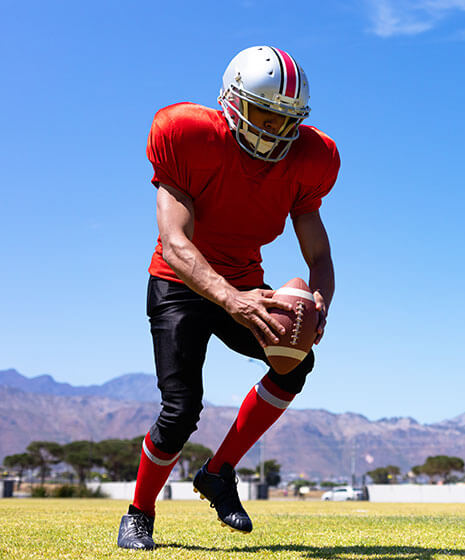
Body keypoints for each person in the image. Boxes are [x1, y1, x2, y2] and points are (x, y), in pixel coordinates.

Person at [117, 46, 339, 550]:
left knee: (295, 365)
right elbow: (175, 242)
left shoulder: (311, 158)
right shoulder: (187, 134)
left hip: (246, 285)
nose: (274, 131)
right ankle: (139, 513)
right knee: (181, 409)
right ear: (233, 102)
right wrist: (230, 299)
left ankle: (219, 472)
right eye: (264, 114)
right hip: (181, 283)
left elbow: (319, 255)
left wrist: (321, 302)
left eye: (287, 121)